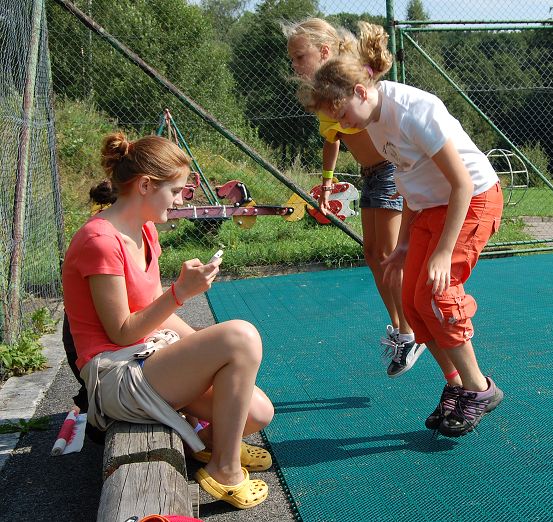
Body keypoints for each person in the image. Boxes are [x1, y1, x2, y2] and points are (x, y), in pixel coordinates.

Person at [299, 22, 505, 437]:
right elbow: (410, 182)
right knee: (412, 303)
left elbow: (462, 184)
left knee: (439, 294)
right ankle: (456, 385)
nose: (342, 124)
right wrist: (407, 242)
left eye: (342, 114)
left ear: (361, 91)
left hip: (472, 200)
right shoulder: (372, 122)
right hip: (431, 206)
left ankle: (480, 389)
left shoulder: (412, 111)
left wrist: (443, 252)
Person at [61, 132, 274, 509]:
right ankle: (225, 470)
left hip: (146, 357)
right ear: (145, 185)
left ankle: (208, 445)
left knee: (257, 412)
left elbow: (152, 310)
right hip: (115, 376)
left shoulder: (144, 230)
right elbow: (121, 332)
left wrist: (205, 351)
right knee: (241, 336)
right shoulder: (100, 241)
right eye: (176, 191)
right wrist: (180, 293)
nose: (180, 200)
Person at [284, 18, 425, 377]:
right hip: (370, 174)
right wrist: (327, 182)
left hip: (390, 169)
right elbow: (332, 140)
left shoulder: (348, 82)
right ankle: (401, 329)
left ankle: (412, 332)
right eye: (293, 59)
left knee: (389, 256)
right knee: (373, 254)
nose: (295, 65)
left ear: (324, 51)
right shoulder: (322, 95)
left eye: (300, 56)